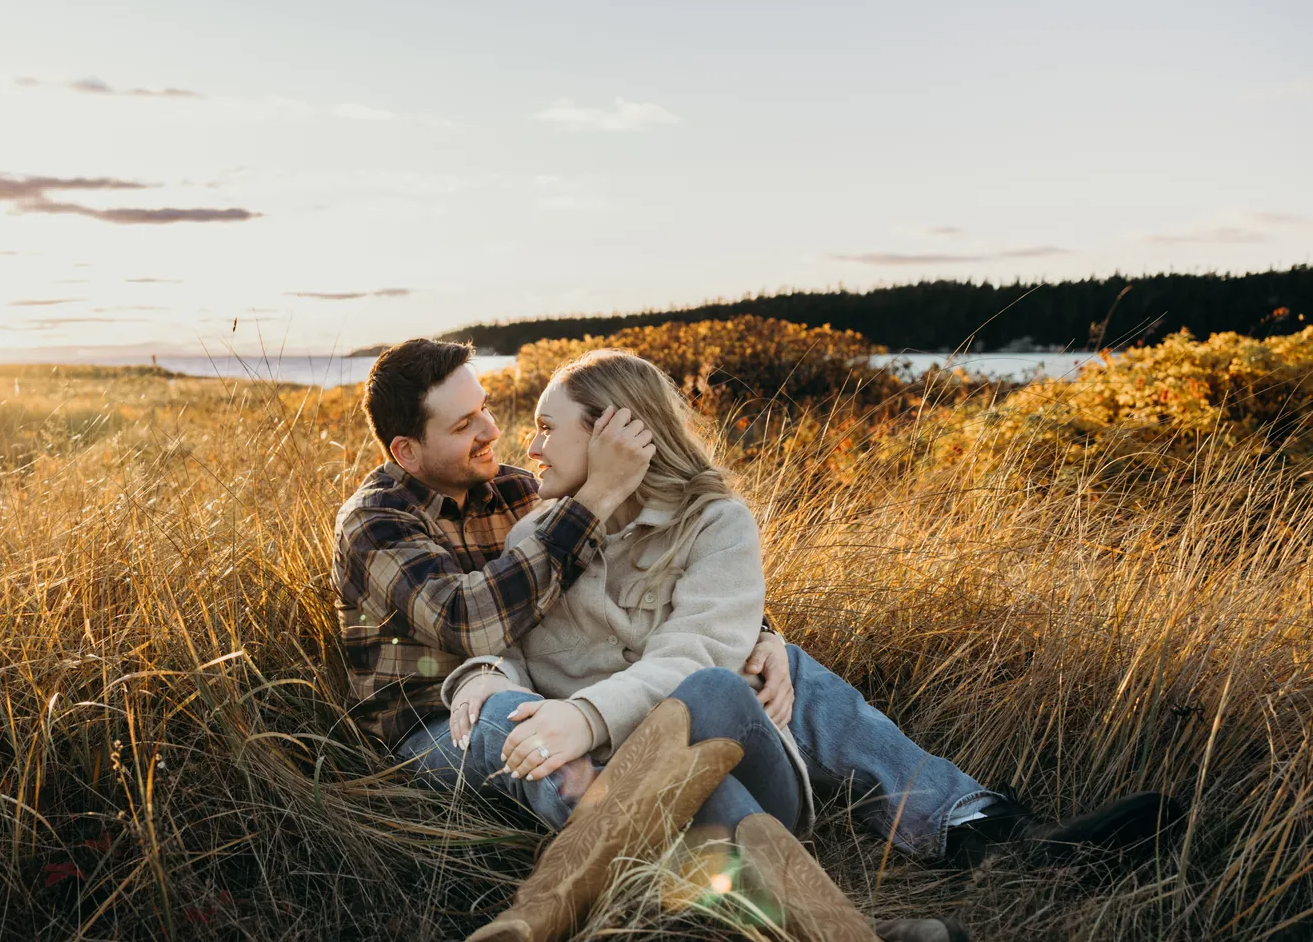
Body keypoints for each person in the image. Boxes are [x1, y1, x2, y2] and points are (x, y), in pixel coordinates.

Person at [331, 338, 1175, 875]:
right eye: (468, 424)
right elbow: (486, 627)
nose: (505, 437)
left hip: (614, 707)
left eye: (498, 413)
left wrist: (757, 633)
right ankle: (698, 883)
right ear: (409, 450)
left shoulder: (531, 497)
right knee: (543, 712)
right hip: (445, 728)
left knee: (779, 668)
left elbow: (692, 622)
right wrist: (484, 675)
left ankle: (975, 828)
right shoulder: (393, 521)